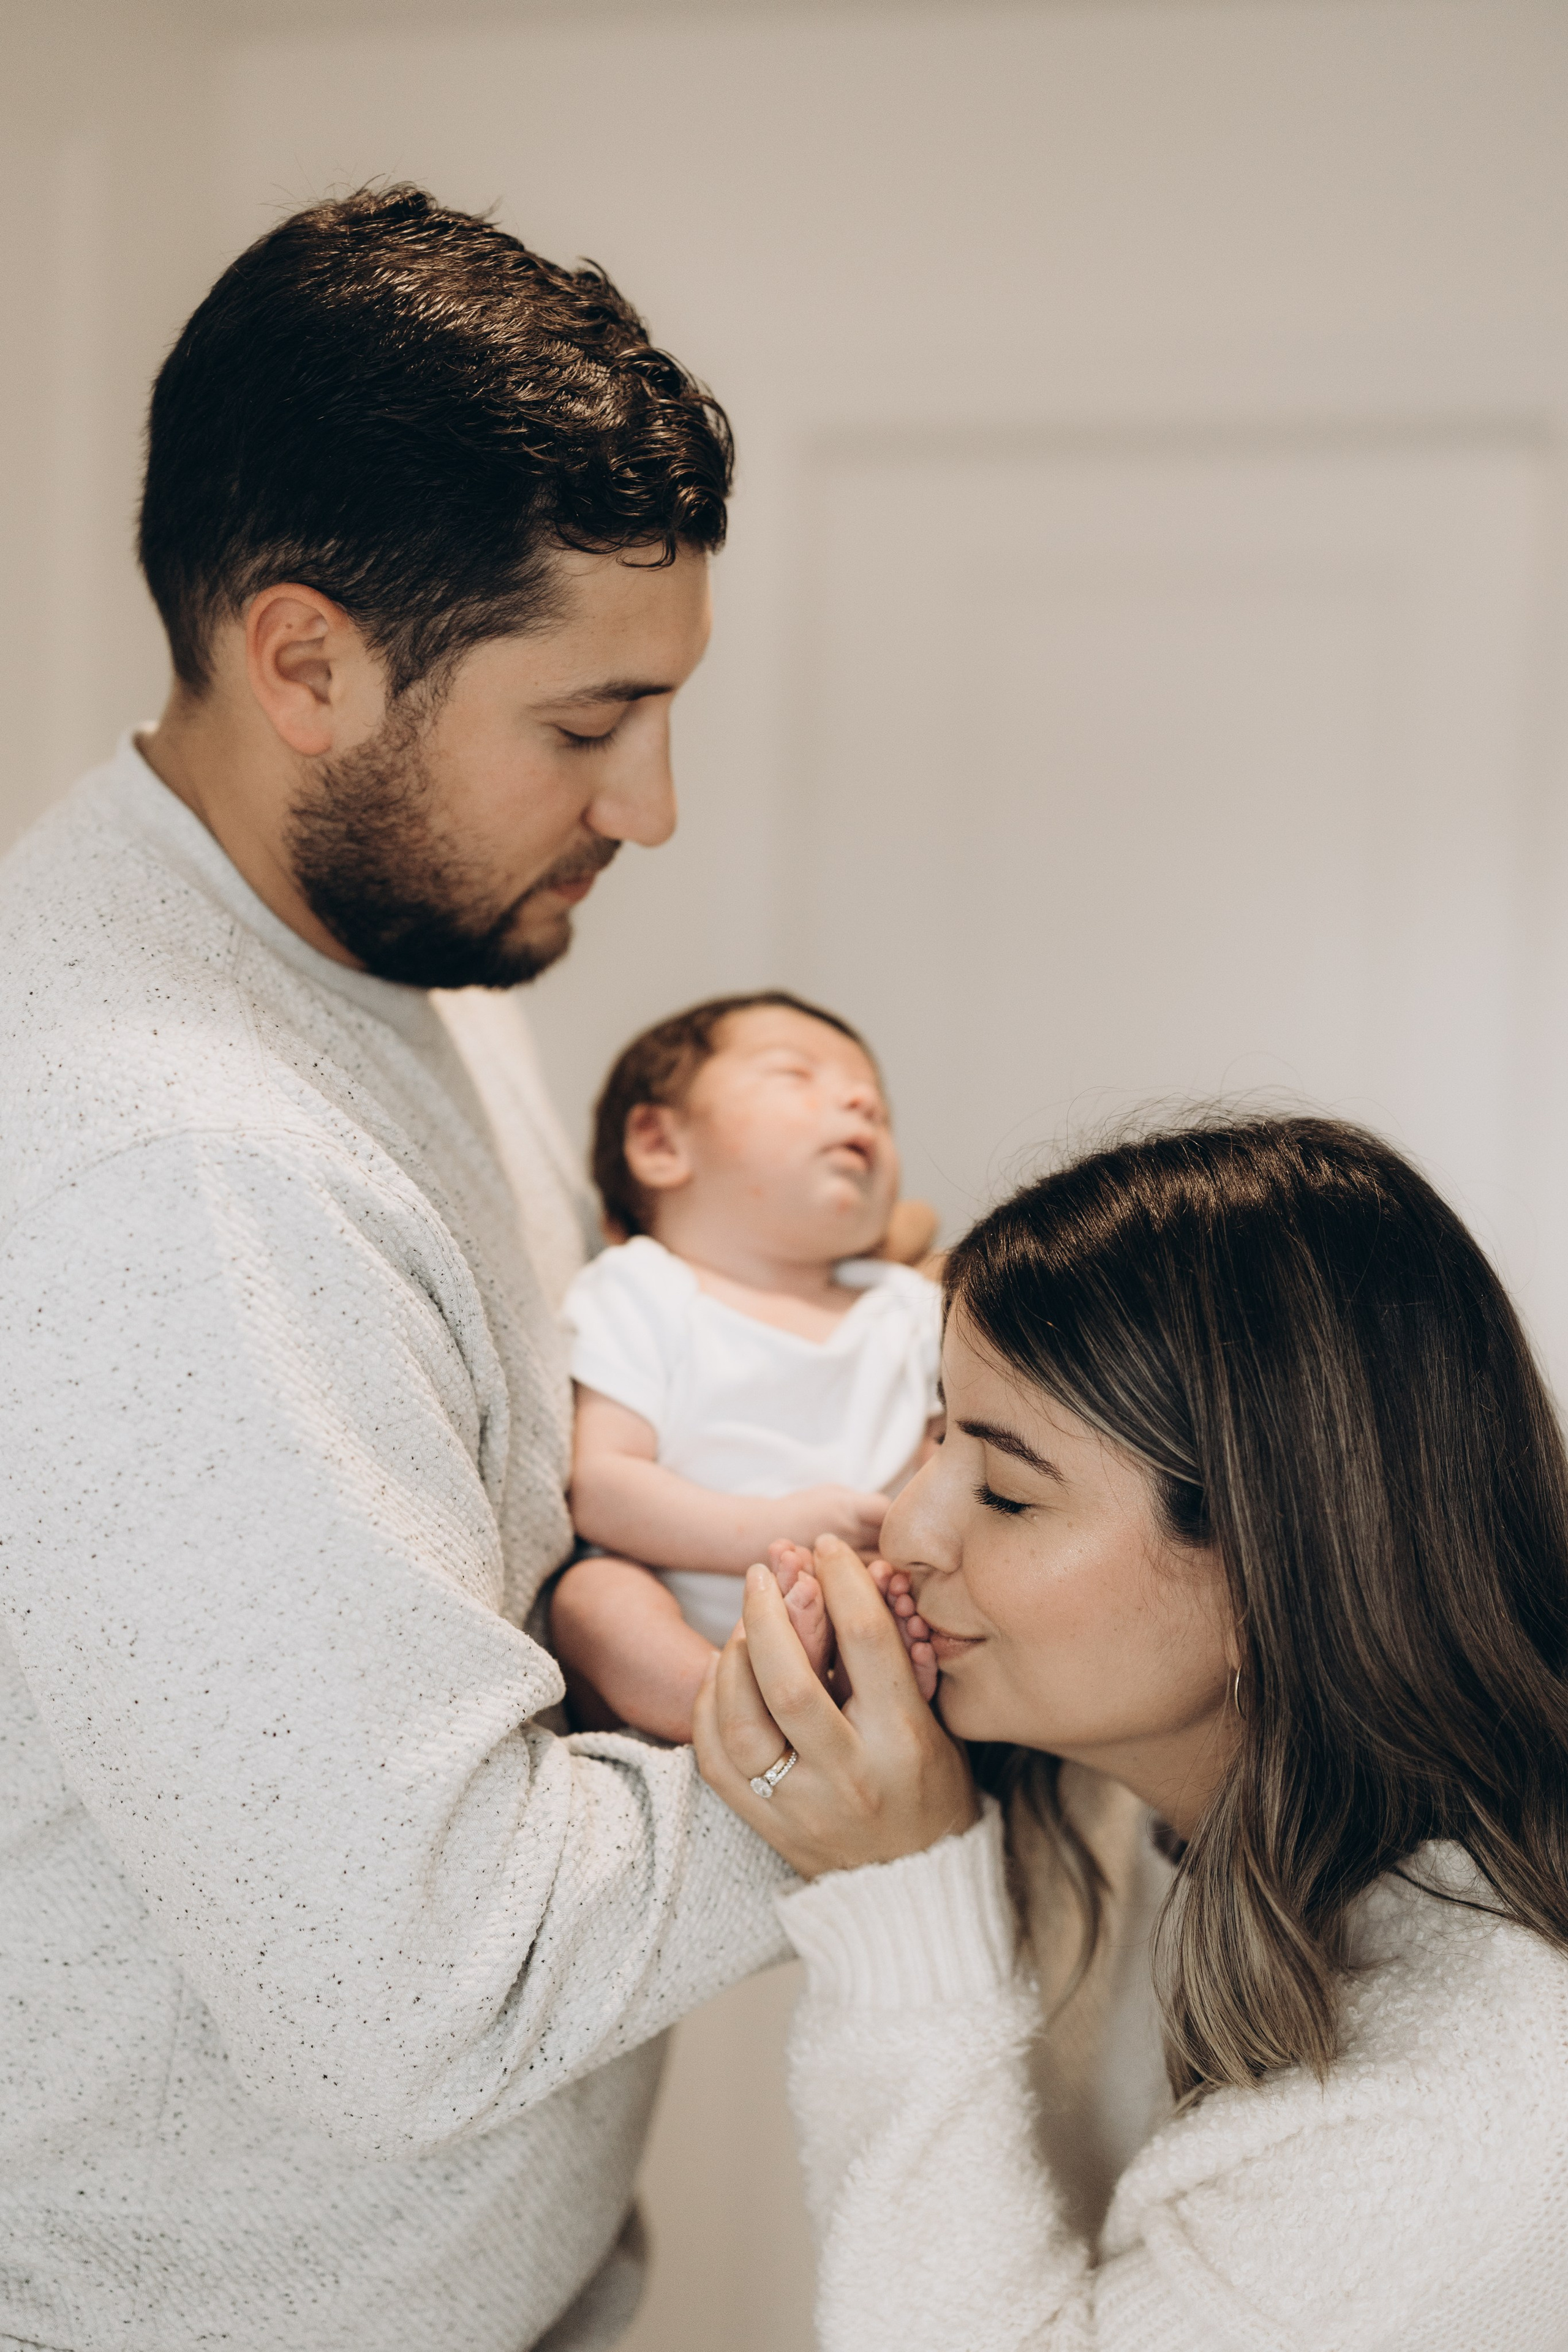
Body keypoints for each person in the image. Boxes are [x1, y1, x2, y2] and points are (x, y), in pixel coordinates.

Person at [0, 181, 813, 2352]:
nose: (649, 806)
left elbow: (498, 1463)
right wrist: (922, 1733)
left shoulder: (395, 935)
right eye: (585, 724)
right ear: (306, 663)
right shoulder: (174, 1173)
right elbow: (415, 1997)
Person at [696, 1115, 1568, 2352]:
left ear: (1273, 1577)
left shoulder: (1458, 2114)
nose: (906, 1528)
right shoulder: (1110, 1798)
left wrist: (900, 1899)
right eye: (937, 1431)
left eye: (1004, 1492)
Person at [549, 990, 943, 1741]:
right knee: (592, 1597)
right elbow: (600, 1488)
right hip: (684, 1599)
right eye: (797, 1075)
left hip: (858, 1598)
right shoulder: (644, 1288)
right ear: (662, 1145)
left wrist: (897, 1560)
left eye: (878, 1110)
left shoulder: (908, 1308)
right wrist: (772, 1527)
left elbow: (946, 1463)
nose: (860, 1101)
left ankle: (855, 1698)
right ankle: (726, 1706)